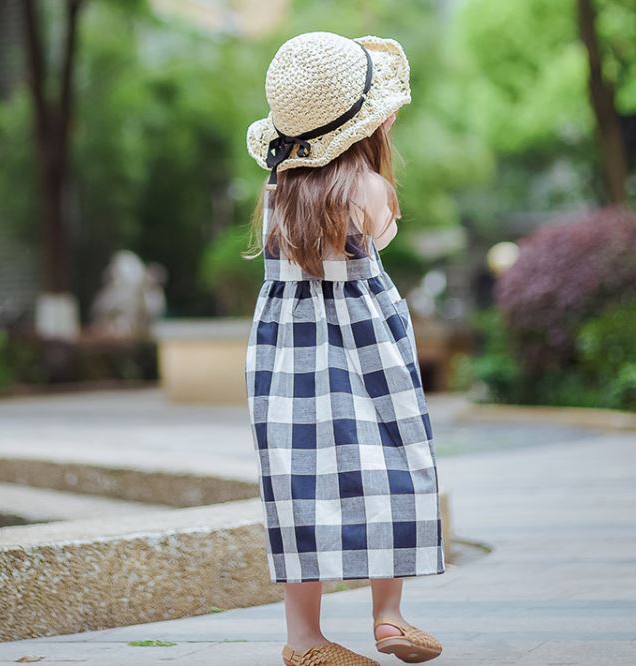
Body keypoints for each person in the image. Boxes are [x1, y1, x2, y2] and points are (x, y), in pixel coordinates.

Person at [244, 31, 445, 666]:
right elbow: (379, 232)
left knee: (298, 484)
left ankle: (304, 638)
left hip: (288, 357)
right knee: (390, 468)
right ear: (367, 126)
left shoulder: (275, 198)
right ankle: (388, 617)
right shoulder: (371, 192)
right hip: (369, 347)